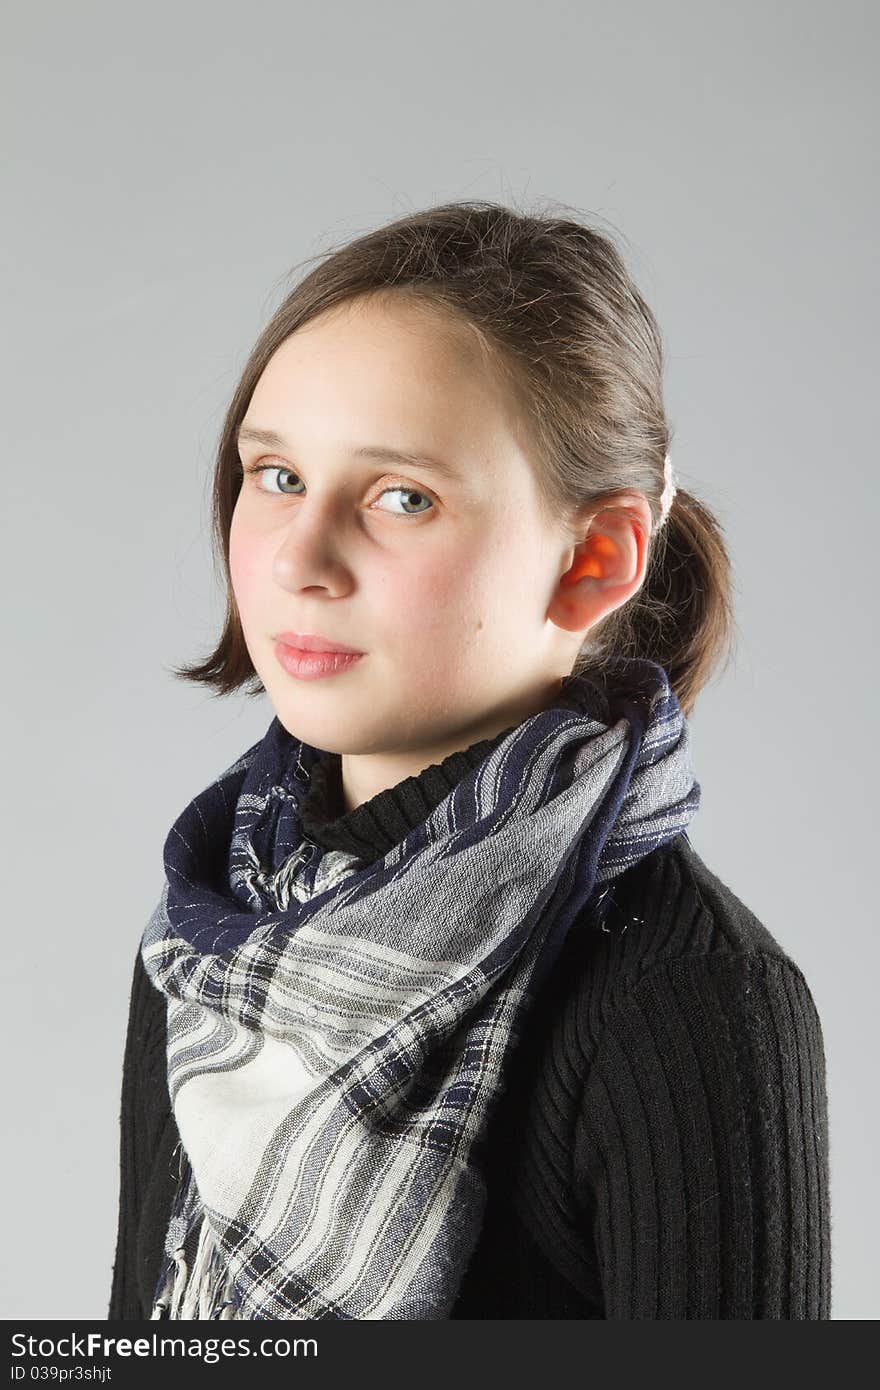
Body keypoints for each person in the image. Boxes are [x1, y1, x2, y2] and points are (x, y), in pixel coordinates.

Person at [108, 200, 831, 1320]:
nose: (301, 558)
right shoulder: (205, 947)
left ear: (592, 561)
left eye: (403, 497)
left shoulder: (690, 1001)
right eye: (277, 476)